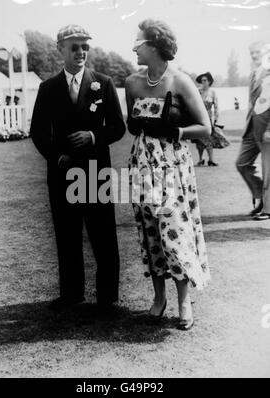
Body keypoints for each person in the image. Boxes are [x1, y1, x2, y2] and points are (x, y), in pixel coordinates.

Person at [30, 24, 126, 311]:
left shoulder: (103, 83)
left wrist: (93, 136)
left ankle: (107, 297)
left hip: (96, 172)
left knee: (103, 233)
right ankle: (72, 293)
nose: (81, 52)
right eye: (74, 46)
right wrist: (57, 156)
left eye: (85, 46)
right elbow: (38, 131)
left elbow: (118, 128)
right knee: (67, 233)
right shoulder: (48, 88)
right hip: (62, 173)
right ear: (60, 49)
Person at [125, 19, 211, 330]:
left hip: (173, 164)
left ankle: (183, 301)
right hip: (142, 164)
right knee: (150, 231)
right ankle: (158, 297)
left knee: (175, 230)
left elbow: (205, 127)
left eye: (138, 41)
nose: (134, 46)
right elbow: (132, 125)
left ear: (154, 46)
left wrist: (175, 129)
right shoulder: (132, 82)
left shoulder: (181, 81)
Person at [236, 41, 270, 219]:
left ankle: (268, 209)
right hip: (252, 126)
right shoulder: (255, 73)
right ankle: (262, 197)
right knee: (242, 163)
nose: (254, 55)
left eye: (257, 52)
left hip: (267, 127)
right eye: (251, 53)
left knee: (268, 170)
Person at [192, 72, 219, 166]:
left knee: (209, 138)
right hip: (198, 117)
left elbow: (216, 107)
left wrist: (216, 119)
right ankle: (200, 159)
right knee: (199, 139)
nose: (203, 82)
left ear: (209, 81)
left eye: (205, 80)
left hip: (208, 118)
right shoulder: (197, 91)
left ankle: (211, 159)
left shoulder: (213, 92)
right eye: (202, 80)